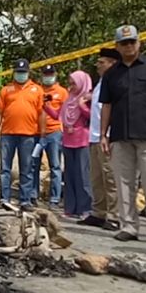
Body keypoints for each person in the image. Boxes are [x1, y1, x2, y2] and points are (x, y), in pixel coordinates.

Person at [100, 25, 146, 248]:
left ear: (139, 43)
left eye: (132, 42)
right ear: (117, 46)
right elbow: (107, 105)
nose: (128, 46)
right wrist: (103, 134)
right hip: (121, 135)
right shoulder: (112, 74)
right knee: (124, 182)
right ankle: (128, 226)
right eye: (124, 43)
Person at [0, 59, 46, 211]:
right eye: (18, 72)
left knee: (27, 168)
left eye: (23, 72)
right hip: (8, 134)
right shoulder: (6, 90)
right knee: (5, 169)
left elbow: (42, 114)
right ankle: (4, 198)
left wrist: (42, 135)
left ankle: (25, 200)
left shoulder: (37, 90)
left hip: (29, 135)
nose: (20, 75)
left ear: (28, 73)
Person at [79, 48, 121, 231]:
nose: (98, 65)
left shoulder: (117, 82)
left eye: (101, 62)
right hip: (94, 136)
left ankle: (114, 216)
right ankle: (99, 212)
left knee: (110, 177)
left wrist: (108, 134)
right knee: (96, 177)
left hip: (109, 136)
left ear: (112, 63)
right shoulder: (100, 83)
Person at [45, 70, 94, 218]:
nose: (71, 86)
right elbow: (58, 115)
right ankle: (71, 208)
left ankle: (85, 208)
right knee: (70, 176)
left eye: (74, 83)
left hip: (82, 141)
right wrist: (45, 105)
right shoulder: (69, 99)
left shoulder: (88, 98)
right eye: (70, 83)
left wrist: (82, 106)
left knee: (83, 177)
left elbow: (91, 117)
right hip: (67, 141)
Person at [31, 64, 67, 208]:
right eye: (45, 74)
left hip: (54, 133)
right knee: (34, 165)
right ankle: (33, 195)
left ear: (55, 74)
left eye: (50, 74)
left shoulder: (62, 92)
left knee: (55, 166)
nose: (48, 77)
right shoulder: (37, 90)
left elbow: (66, 113)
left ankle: (54, 199)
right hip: (36, 133)